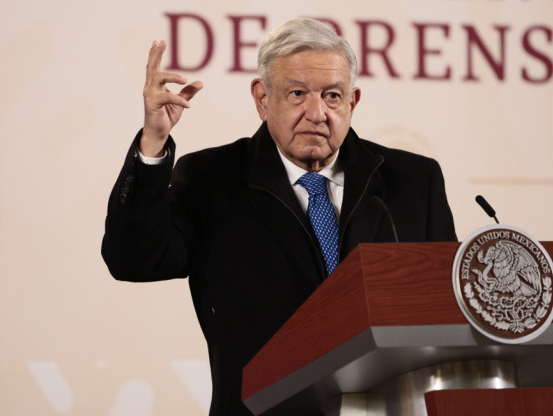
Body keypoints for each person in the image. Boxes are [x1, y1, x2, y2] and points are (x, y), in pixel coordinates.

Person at [102, 17, 457, 415]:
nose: (317, 112)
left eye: (333, 96)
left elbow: (446, 315)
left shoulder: (411, 183)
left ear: (353, 101)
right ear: (262, 98)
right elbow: (133, 259)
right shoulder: (212, 179)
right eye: (297, 93)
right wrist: (153, 141)